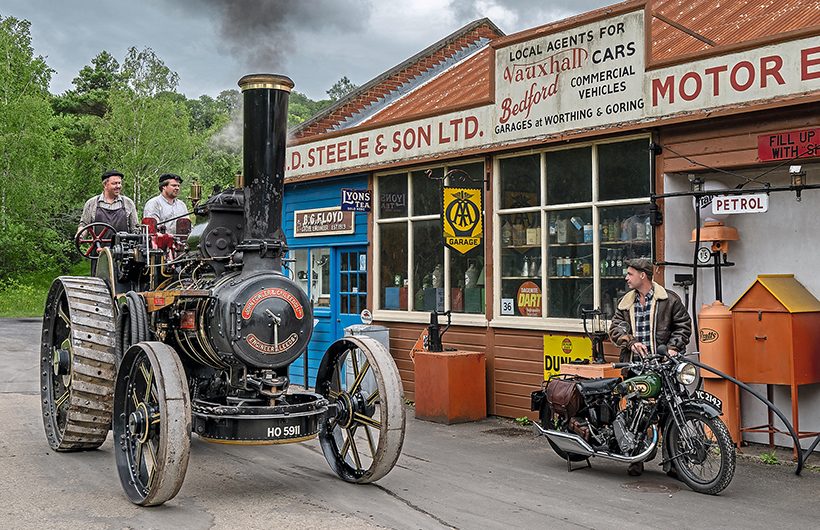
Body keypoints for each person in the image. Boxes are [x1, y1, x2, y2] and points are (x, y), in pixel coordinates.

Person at [609, 258, 692, 477]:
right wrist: (631, 342)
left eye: (630, 274)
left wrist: (673, 348)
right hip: (636, 368)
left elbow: (683, 326)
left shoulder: (669, 299)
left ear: (642, 275)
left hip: (664, 368)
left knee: (669, 415)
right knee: (637, 415)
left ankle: (674, 464)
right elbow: (615, 329)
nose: (626, 278)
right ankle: (637, 459)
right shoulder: (625, 302)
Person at [78, 169, 139, 234]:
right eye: (114, 183)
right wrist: (80, 235)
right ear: (105, 184)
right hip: (99, 244)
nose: (118, 186)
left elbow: (135, 229)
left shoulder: (128, 203)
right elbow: (84, 225)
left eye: (119, 183)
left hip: (124, 244)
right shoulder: (92, 203)